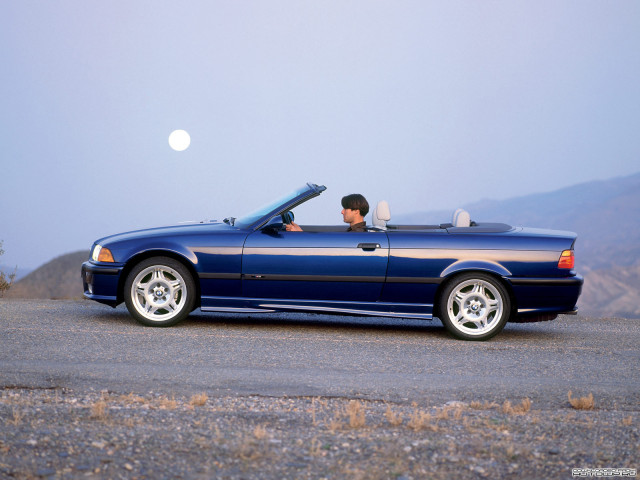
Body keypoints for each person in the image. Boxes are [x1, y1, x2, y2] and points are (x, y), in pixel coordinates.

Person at [286, 193, 369, 232]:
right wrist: (301, 233)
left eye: (345, 209)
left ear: (356, 211)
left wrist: (300, 235)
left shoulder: (357, 234)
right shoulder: (355, 232)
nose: (342, 212)